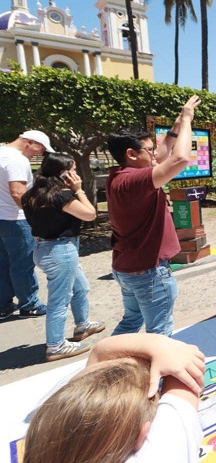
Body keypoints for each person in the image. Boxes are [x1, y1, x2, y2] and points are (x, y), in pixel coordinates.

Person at [23, 333, 205, 463]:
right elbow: (185, 369)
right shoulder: (160, 452)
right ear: (143, 433)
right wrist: (160, 344)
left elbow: (98, 356)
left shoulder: (45, 448)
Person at [107, 95, 201, 336]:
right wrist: (189, 121)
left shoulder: (120, 175)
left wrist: (176, 126)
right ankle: (155, 374)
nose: (154, 155)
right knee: (160, 334)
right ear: (131, 153)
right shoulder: (135, 181)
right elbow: (179, 158)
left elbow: (161, 154)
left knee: (130, 323)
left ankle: (106, 368)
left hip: (128, 267)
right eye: (147, 150)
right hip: (149, 271)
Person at [21, 153, 105, 361]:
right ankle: (56, 345)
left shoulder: (31, 195)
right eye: (73, 170)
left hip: (44, 248)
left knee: (80, 287)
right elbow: (90, 214)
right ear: (64, 173)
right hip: (60, 251)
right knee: (59, 300)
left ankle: (82, 324)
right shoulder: (61, 196)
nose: (76, 174)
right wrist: (78, 190)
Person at [0, 130, 53, 319]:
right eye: (40, 148)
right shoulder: (17, 160)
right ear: (29, 142)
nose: (40, 153)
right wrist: (34, 216)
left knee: (4, 263)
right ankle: (29, 304)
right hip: (15, 218)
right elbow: (17, 192)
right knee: (22, 264)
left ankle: (3, 304)